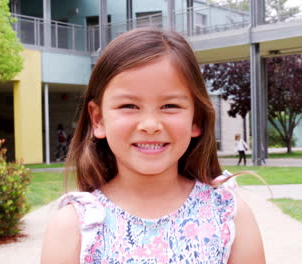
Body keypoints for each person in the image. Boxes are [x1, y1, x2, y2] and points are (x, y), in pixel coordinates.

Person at [41, 27, 265, 264]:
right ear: (98, 120)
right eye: (129, 105)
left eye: (170, 106)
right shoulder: (74, 226)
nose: (150, 125)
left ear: (196, 119)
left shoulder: (229, 216)